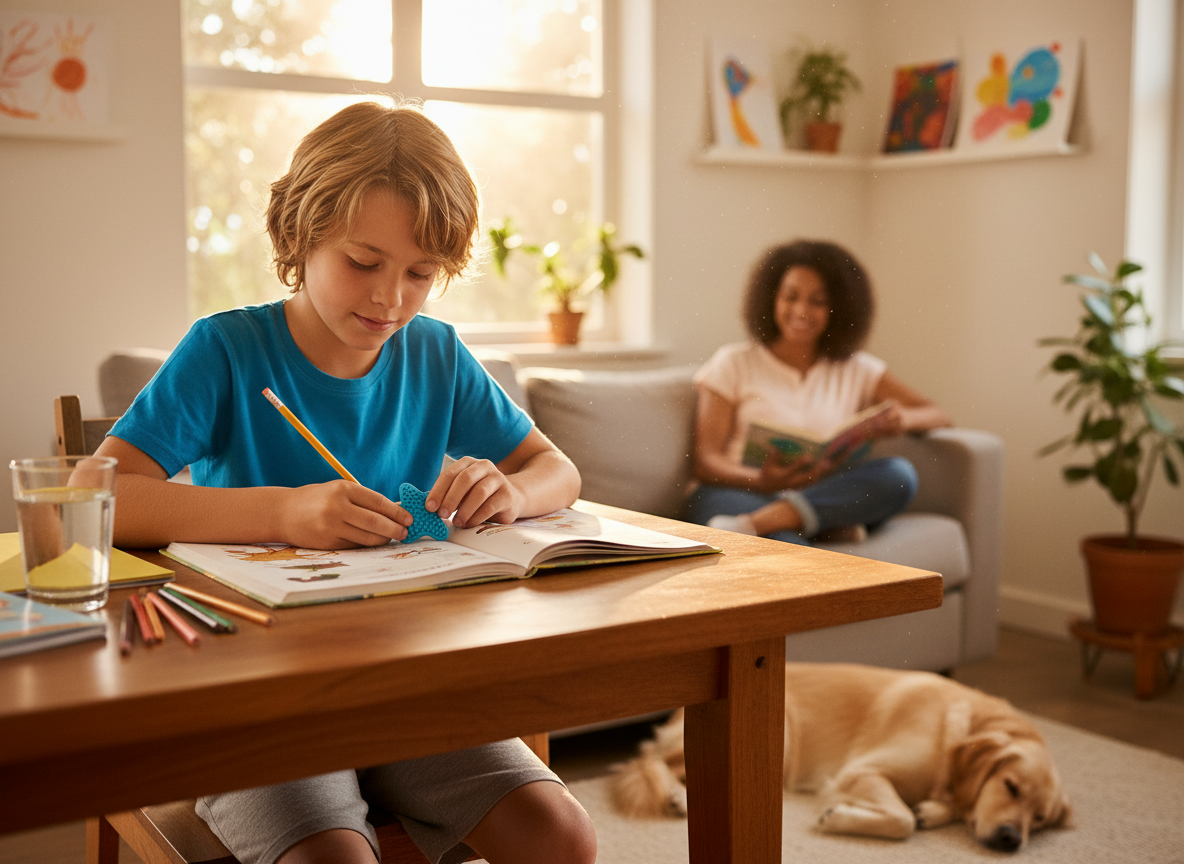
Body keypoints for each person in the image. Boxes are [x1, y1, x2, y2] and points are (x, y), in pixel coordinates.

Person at [95, 102, 595, 864]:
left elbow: (557, 469)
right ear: (300, 234)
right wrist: (286, 512)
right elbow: (100, 496)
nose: (391, 298)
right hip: (255, 696)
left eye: (421, 274)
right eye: (364, 262)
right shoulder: (228, 350)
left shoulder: (436, 355)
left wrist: (513, 492)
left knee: (561, 835)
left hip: (410, 686)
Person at [685, 239, 951, 546]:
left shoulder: (859, 369)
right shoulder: (733, 362)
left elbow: (938, 413)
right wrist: (760, 480)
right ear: (772, 298)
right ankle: (814, 524)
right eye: (790, 296)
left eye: (817, 301)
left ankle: (760, 523)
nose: (801, 310)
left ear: (839, 309)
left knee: (899, 475)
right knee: (787, 546)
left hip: (816, 493)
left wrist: (901, 419)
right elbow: (705, 461)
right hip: (736, 493)